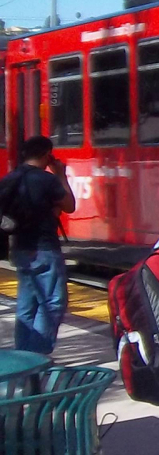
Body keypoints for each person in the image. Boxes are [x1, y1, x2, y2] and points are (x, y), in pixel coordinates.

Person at [0, 135, 75, 354]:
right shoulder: (47, 180)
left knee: (27, 306)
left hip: (20, 249)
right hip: (44, 248)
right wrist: (60, 175)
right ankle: (36, 357)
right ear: (46, 155)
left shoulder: (9, 179)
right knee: (53, 303)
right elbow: (69, 205)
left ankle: (23, 358)